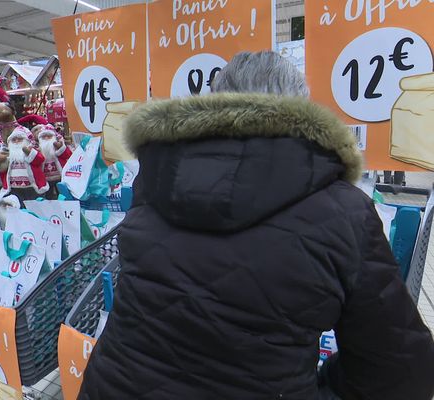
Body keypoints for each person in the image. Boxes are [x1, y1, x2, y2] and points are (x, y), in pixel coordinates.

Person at [77, 51, 434, 400]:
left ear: (214, 103)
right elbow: (402, 369)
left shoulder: (155, 179)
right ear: (302, 110)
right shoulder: (344, 210)